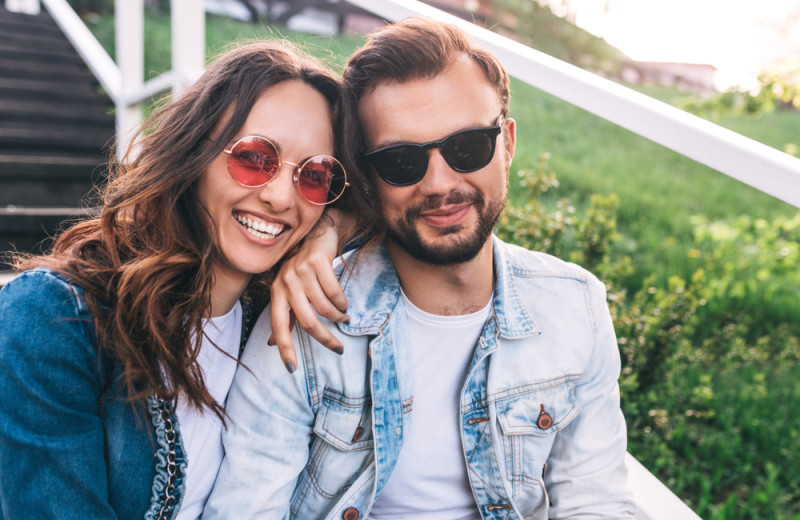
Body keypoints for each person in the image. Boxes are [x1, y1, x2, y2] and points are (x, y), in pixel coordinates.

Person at [203, 17, 636, 519]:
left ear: (508, 144)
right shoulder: (304, 320)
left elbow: (596, 502)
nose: (438, 182)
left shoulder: (574, 306)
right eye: (402, 161)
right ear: (369, 175)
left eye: (467, 147)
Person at [0, 40, 369, 520]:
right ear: (196, 150)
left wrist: (328, 229)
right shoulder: (55, 320)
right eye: (256, 158)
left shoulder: (269, 320)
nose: (280, 197)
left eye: (315, 176)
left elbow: (406, 217)